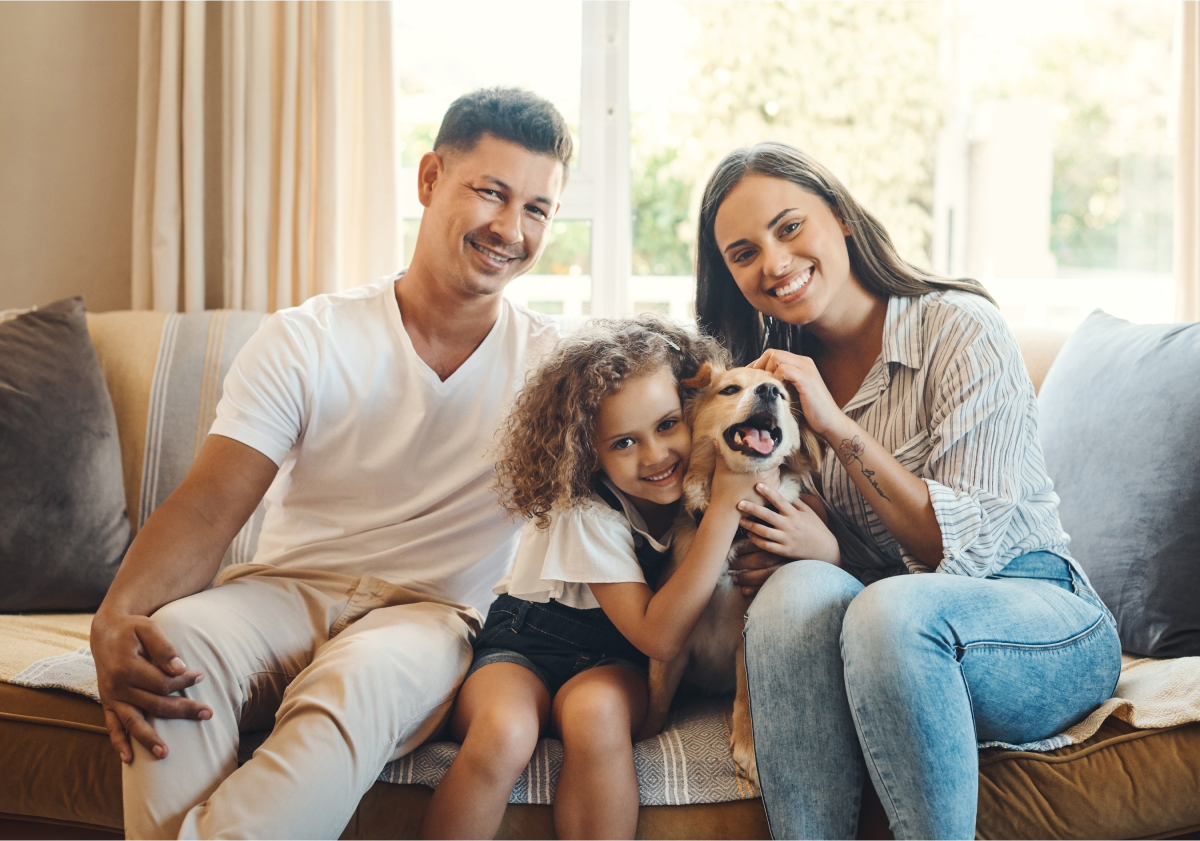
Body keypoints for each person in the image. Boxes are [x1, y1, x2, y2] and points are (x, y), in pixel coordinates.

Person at [89, 87, 572, 841]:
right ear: (428, 180)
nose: (512, 228)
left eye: (538, 208)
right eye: (492, 192)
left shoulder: (553, 368)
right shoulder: (309, 337)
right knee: (171, 641)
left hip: (430, 614)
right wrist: (116, 616)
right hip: (286, 589)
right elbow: (211, 506)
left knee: (359, 677)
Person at [692, 142, 1122, 841]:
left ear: (841, 217)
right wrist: (818, 545)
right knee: (796, 596)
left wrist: (832, 421)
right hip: (886, 630)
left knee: (888, 611)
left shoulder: (958, 326)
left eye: (789, 226)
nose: (772, 262)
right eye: (743, 253)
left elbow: (955, 546)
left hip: (1035, 615)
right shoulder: (772, 383)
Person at [418, 315, 763, 841]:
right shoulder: (584, 511)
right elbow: (660, 637)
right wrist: (722, 510)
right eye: (623, 443)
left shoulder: (687, 493)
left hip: (610, 663)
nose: (655, 456)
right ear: (587, 451)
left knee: (596, 717)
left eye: (668, 425)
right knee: (505, 732)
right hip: (524, 648)